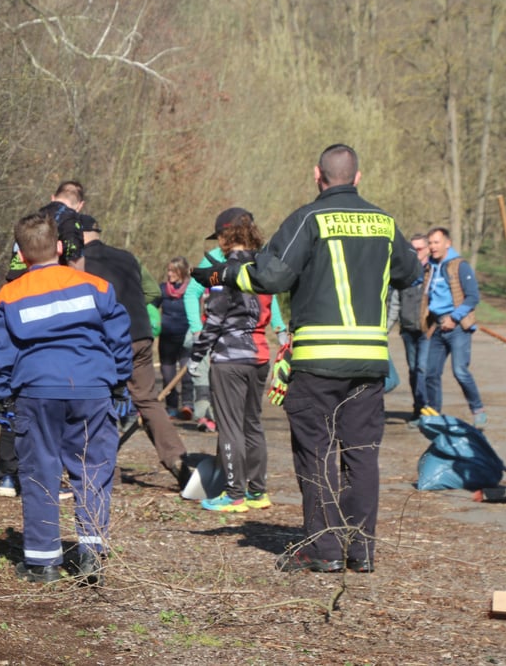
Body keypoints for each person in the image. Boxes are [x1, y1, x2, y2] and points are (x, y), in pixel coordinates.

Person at [191, 144, 420, 573]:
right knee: (361, 454)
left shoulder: (309, 219)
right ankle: (360, 550)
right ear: (358, 176)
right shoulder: (385, 223)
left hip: (318, 361)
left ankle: (324, 549)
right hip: (370, 362)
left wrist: (222, 274)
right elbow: (411, 272)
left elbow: (271, 276)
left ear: (318, 175)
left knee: (316, 452)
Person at [0, 213, 132, 585]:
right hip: (92, 388)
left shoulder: (8, 296)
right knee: (93, 469)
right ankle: (91, 553)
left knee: (39, 472)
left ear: (21, 255)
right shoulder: (96, 287)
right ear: (60, 247)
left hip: (37, 391)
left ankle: (43, 561)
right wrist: (119, 384)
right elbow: (119, 338)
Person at [80, 214, 192, 488]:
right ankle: (178, 460)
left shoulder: (79, 264)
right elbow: (153, 292)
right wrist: (132, 307)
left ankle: (106, 469)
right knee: (148, 400)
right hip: (141, 334)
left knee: (100, 400)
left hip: (107, 339)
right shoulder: (127, 258)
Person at [0, 181, 88, 498]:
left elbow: (14, 266)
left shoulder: (33, 220)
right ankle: (48, 477)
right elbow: (77, 270)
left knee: (15, 390)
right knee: (53, 392)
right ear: (80, 205)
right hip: (51, 306)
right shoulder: (71, 223)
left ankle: (7, 475)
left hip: (15, 300)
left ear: (52, 196)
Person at [188, 208, 272, 513]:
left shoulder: (222, 272)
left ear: (226, 236)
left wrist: (197, 355)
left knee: (229, 426)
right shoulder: (265, 268)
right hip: (259, 355)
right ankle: (257, 491)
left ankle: (235, 494)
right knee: (252, 424)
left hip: (229, 358)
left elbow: (214, 319)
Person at [184, 228, 288, 432]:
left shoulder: (259, 259)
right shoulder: (214, 257)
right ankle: (207, 415)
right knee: (207, 377)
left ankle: (227, 427)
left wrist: (279, 328)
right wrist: (197, 329)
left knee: (243, 411)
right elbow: (192, 292)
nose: (220, 242)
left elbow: (269, 295)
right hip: (215, 332)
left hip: (249, 339)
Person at [420, 227, 487, 427]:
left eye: (436, 242)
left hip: (458, 327)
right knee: (430, 372)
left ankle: (478, 410)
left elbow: (473, 297)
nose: (433, 247)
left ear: (447, 243)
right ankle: (434, 413)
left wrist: (454, 318)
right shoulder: (429, 267)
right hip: (437, 326)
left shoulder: (460, 266)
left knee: (460, 371)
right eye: (430, 243)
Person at [388, 233, 430, 424]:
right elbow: (394, 304)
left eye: (419, 248)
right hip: (408, 330)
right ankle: (418, 408)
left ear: (427, 249)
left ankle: (427, 409)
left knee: (422, 369)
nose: (416, 252)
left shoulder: (433, 272)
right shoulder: (403, 273)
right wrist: (385, 330)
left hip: (428, 331)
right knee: (413, 370)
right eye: (413, 249)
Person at [152, 257, 194, 420]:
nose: (169, 274)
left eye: (173, 271)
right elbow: (151, 308)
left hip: (186, 339)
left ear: (181, 272)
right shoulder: (162, 289)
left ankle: (188, 405)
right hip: (167, 338)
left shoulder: (192, 289)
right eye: (168, 270)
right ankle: (171, 407)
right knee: (168, 375)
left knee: (187, 373)